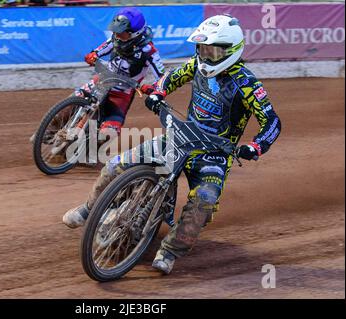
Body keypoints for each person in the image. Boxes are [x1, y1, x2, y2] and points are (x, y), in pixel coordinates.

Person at [63, 14, 282, 275]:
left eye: (212, 50)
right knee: (115, 164)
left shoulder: (247, 83)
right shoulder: (196, 64)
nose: (205, 54)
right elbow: (171, 77)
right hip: (181, 136)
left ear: (230, 50)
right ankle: (90, 208)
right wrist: (158, 92)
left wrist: (256, 147)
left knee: (204, 200)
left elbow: (272, 122)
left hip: (213, 154)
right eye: (202, 48)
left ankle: (169, 251)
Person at [29, 7, 164, 144]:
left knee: (108, 133)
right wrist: (92, 55)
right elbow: (99, 51)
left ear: (134, 34)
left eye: (121, 33)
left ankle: (86, 153)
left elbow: (163, 78)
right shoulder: (115, 39)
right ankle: (47, 132)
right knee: (74, 100)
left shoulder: (150, 53)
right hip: (101, 81)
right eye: (115, 31)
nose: (117, 35)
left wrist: (153, 89)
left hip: (121, 95)